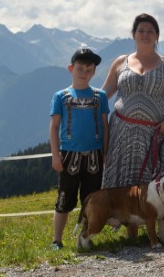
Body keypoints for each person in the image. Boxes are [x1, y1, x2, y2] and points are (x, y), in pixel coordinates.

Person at [101, 13, 164, 246]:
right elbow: (104, 93)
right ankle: (133, 235)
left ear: (157, 36)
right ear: (133, 34)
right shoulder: (120, 62)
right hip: (121, 134)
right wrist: (81, 98)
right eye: (141, 30)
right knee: (127, 183)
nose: (145, 34)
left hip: (159, 133)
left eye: (150, 31)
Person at [49, 48, 110, 250]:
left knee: (91, 200)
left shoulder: (100, 96)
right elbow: (55, 126)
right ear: (71, 68)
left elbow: (105, 125)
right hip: (68, 156)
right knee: (64, 199)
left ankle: (85, 237)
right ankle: (57, 240)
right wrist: (55, 155)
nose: (84, 72)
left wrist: (106, 151)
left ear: (94, 72)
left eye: (89, 69)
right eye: (80, 68)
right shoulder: (61, 96)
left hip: (95, 155)